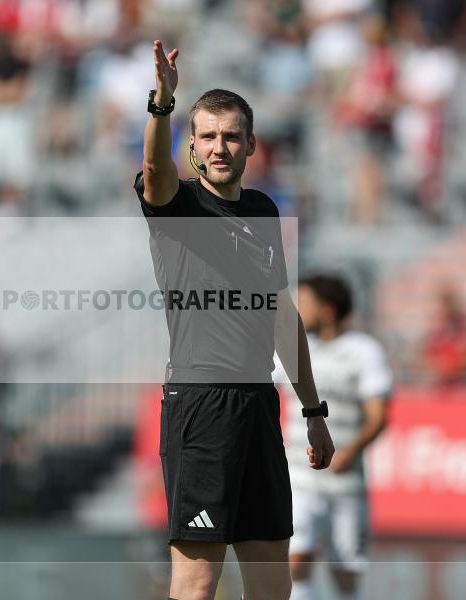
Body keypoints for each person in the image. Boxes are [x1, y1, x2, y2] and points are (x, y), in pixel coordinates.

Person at [134, 40, 335, 600]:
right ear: (193, 147)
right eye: (208, 137)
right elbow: (153, 168)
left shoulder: (265, 211)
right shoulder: (179, 208)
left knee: (274, 586)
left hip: (258, 406)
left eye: (230, 136)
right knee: (198, 584)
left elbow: (280, 315)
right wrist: (162, 102)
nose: (219, 147)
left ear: (250, 144)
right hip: (200, 405)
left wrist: (313, 410)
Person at [272, 274, 392, 600]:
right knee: (296, 561)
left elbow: (379, 416)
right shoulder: (293, 346)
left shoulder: (364, 351)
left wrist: (350, 452)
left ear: (326, 310)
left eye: (305, 303)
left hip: (345, 481)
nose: (298, 310)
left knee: (345, 574)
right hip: (298, 475)